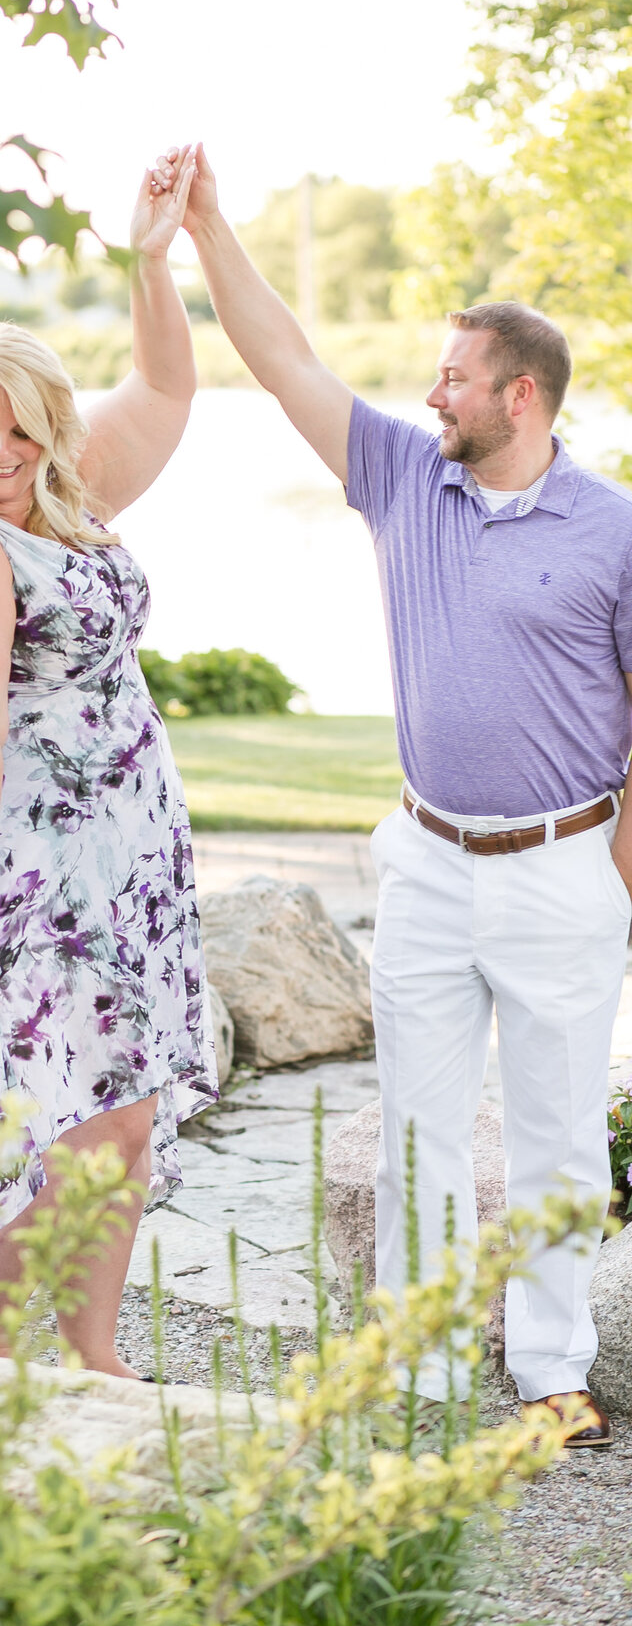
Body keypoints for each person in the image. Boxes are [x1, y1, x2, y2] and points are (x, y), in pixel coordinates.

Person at [151, 141, 632, 1446]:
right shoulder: (402, 479)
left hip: (561, 868)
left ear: (520, 397)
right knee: (415, 1131)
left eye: (456, 378)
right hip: (423, 860)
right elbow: (288, 359)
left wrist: (610, 875)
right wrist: (207, 230)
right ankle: (419, 1371)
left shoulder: (616, 528)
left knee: (553, 1138)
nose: (432, 393)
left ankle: (549, 1372)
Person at [0, 150, 219, 1378]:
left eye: (25, 429)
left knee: (120, 1105)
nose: (4, 451)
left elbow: (171, 389)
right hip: (31, 857)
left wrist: (149, 259)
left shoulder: (68, 502)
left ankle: (91, 1352)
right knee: (61, 1114)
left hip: (127, 852)